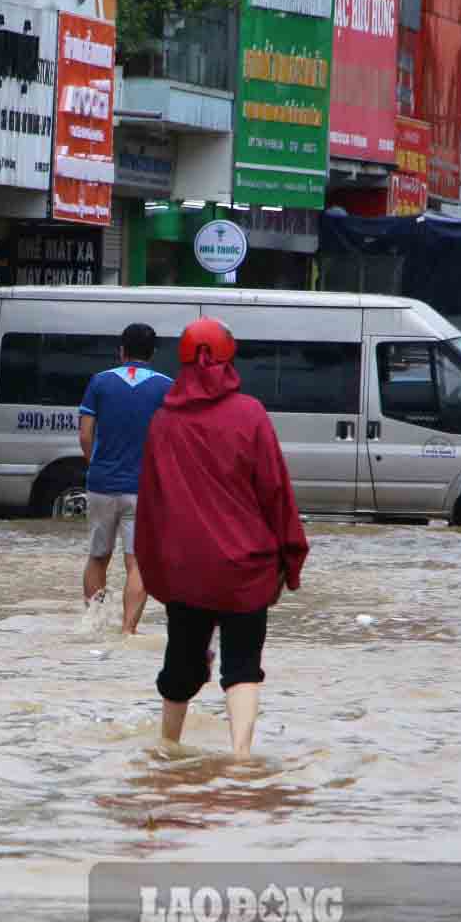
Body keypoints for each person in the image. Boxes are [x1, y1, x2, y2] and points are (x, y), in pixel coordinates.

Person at [133, 318, 309, 758]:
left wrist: (155, 570)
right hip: (246, 568)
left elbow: (151, 507)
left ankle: (167, 751)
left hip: (186, 570)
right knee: (243, 666)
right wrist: (289, 561)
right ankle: (242, 759)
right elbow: (276, 492)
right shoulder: (250, 414)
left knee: (180, 666)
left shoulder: (163, 423)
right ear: (229, 359)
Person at [77, 322, 173, 634]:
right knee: (137, 563)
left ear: (121, 350)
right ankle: (128, 631)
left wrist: (96, 465)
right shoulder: (166, 386)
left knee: (97, 557)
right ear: (153, 352)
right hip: (143, 489)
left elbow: (85, 433)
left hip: (101, 484)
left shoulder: (100, 382)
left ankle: (94, 625)